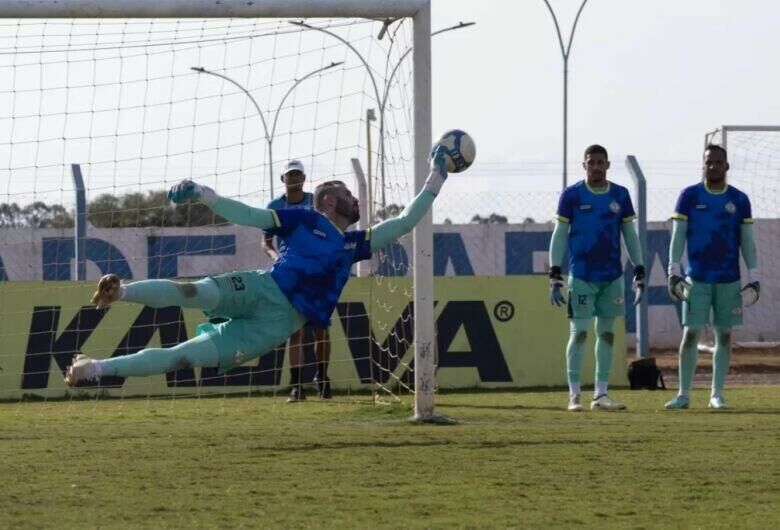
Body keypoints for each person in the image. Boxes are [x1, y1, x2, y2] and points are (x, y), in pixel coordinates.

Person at [64, 148, 451, 387]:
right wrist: (204, 194)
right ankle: (123, 291)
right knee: (193, 291)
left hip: (277, 326)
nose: (356, 201)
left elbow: (402, 223)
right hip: (262, 288)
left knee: (183, 357)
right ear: (330, 202)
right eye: (349, 195)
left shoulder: (353, 245)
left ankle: (94, 369)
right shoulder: (302, 220)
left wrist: (437, 176)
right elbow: (250, 215)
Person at [548, 144, 645, 412]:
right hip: (581, 276)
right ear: (584, 166)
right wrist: (554, 272)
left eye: (600, 162)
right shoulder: (571, 195)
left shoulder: (620, 195)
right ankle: (574, 395)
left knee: (607, 334)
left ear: (607, 165)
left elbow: (630, 235)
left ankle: (601, 395)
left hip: (612, 276)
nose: (596, 167)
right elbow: (559, 234)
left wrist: (639, 269)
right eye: (591, 162)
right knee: (579, 333)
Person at [664, 144, 759, 410]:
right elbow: (678, 236)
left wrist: (754, 276)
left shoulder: (740, 200)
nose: (713, 166)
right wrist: (674, 271)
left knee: (725, 336)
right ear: (702, 165)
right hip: (697, 279)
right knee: (691, 334)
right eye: (709, 162)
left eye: (718, 162)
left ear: (726, 166)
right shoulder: (689, 196)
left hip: (729, 280)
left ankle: (717, 394)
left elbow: (747, 242)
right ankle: (683, 394)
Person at [262, 160, 332, 402]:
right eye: (290, 175)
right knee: (296, 332)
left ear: (304, 177)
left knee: (321, 329)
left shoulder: (316, 202)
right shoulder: (274, 206)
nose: (294, 178)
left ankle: (323, 378)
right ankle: (297, 386)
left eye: (298, 174)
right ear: (283, 179)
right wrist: (276, 257)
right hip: (290, 274)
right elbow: (266, 241)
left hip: (316, 272)